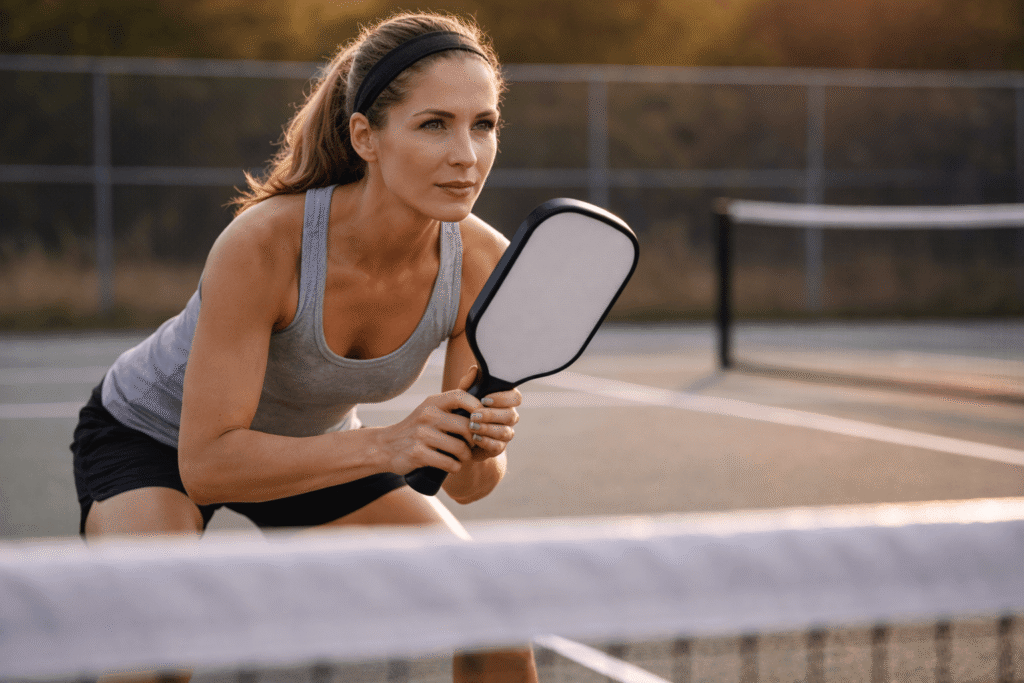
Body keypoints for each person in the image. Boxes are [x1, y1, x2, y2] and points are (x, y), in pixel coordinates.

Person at [70, 11, 539, 683]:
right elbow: (207, 465)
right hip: (153, 439)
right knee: (158, 651)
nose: (467, 155)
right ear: (365, 136)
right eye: (435, 124)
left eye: (484, 124)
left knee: (498, 629)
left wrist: (481, 444)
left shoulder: (485, 265)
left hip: (317, 445)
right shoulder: (265, 243)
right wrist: (390, 445)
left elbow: (466, 486)